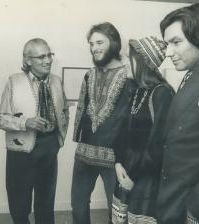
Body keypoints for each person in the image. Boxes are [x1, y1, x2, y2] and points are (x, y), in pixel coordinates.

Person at [0, 38, 69, 224]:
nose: (48, 60)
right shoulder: (14, 82)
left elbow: (64, 111)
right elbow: (0, 119)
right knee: (20, 207)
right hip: (21, 152)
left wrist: (58, 140)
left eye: (49, 55)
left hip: (49, 149)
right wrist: (25, 122)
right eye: (41, 57)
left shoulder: (57, 81)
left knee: (46, 205)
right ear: (28, 60)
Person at [156, 3, 199, 224]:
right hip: (174, 202)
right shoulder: (194, 73)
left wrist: (198, 205)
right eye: (166, 44)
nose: (168, 52)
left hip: (191, 210)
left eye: (176, 42)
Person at [71, 22, 135, 224]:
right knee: (78, 204)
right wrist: (76, 138)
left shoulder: (130, 76)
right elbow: (82, 108)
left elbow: (133, 118)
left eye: (99, 42)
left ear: (113, 43)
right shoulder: (89, 75)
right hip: (84, 152)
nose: (94, 48)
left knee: (117, 209)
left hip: (116, 157)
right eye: (91, 43)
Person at [111, 36, 174, 224]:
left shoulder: (162, 93)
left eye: (127, 58)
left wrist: (133, 176)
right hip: (126, 172)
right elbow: (122, 131)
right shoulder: (137, 89)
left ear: (142, 61)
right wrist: (118, 163)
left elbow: (158, 145)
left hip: (146, 179)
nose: (124, 63)